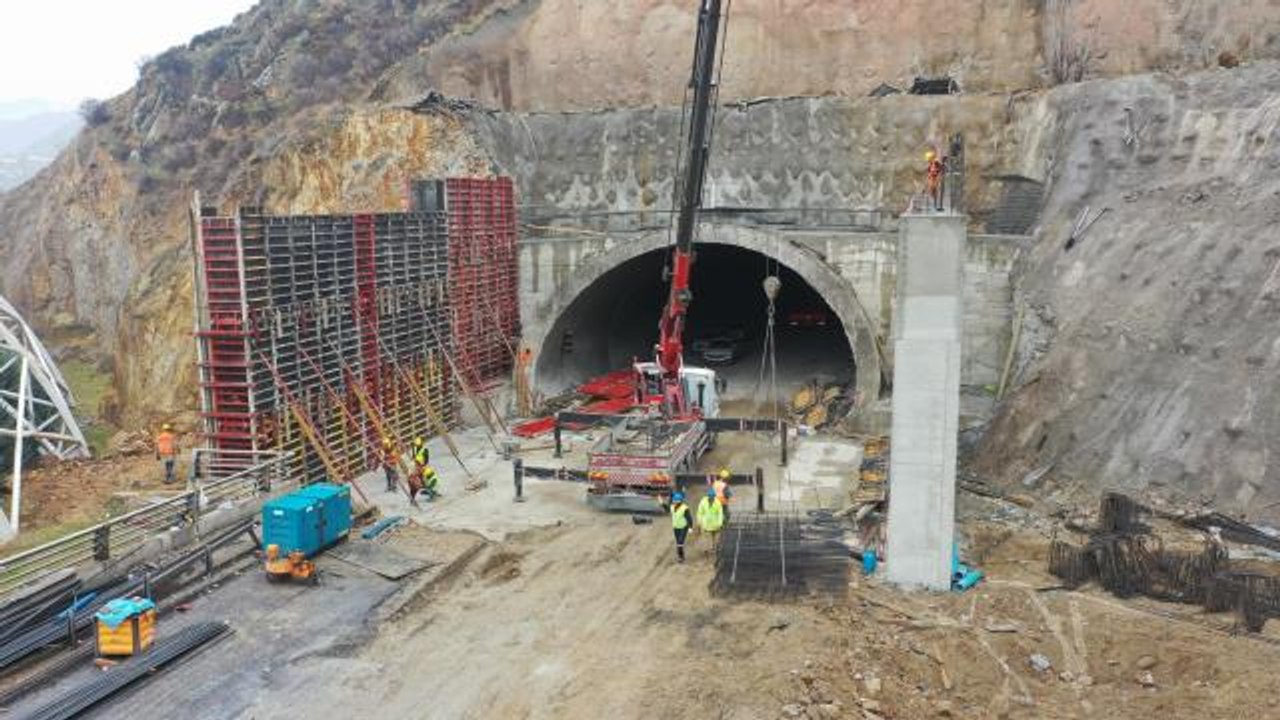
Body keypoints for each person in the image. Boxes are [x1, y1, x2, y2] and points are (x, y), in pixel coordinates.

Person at [696, 487, 725, 553]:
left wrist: (720, 523)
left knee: (716, 537)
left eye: (712, 496)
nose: (711, 498)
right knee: (707, 537)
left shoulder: (717, 502)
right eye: (710, 496)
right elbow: (699, 512)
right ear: (708, 496)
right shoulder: (703, 502)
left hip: (715, 524)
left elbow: (720, 513)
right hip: (706, 524)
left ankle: (714, 548)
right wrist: (699, 522)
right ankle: (707, 548)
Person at [669, 491, 693, 563]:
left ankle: (681, 557)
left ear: (679, 501)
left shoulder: (685, 508)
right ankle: (680, 555)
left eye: (676, 501)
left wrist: (690, 527)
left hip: (683, 527)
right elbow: (667, 509)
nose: (675, 502)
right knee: (678, 543)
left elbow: (689, 518)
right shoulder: (672, 507)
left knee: (680, 542)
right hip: (676, 527)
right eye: (674, 501)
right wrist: (661, 503)